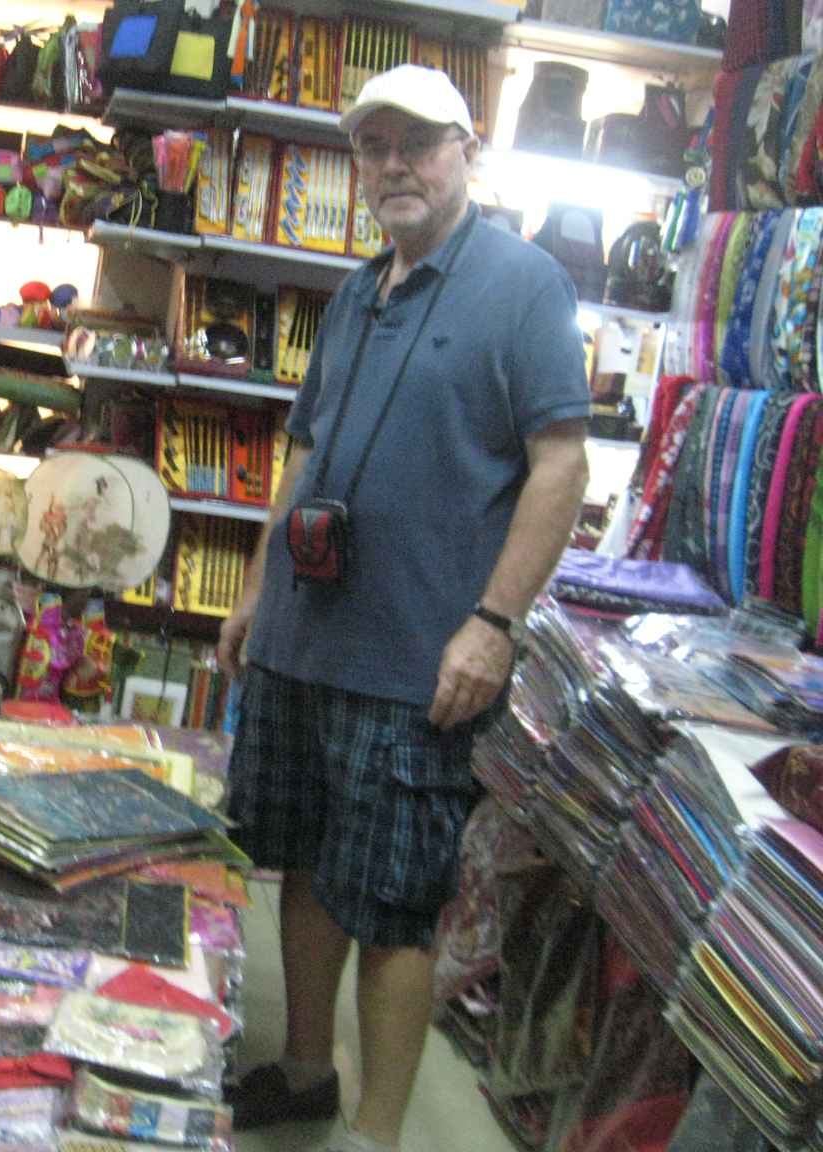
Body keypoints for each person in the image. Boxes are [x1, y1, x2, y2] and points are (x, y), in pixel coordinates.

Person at [217, 66, 590, 1152]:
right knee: (300, 864)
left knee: (393, 904)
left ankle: (374, 1136)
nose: (393, 165)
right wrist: (256, 590)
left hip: (417, 663)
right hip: (303, 642)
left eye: (417, 142)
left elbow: (561, 465)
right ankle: (306, 1073)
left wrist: (495, 624)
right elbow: (303, 452)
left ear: (468, 148)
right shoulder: (356, 290)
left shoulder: (523, 285)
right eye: (373, 146)